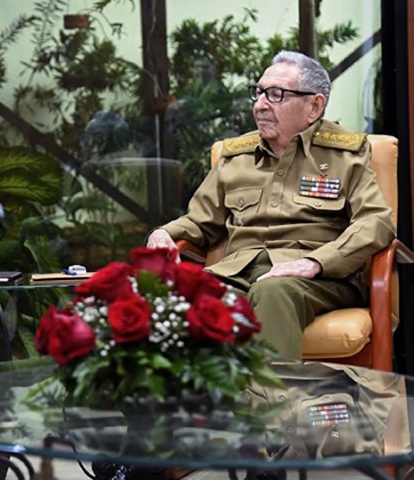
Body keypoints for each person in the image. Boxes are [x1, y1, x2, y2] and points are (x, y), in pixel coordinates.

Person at [146, 50, 395, 361]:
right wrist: (163, 233)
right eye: (259, 92)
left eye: (276, 94)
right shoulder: (236, 156)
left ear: (314, 106)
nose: (260, 105)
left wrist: (315, 262)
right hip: (237, 273)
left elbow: (375, 222)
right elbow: (199, 221)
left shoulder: (345, 155)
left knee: (272, 291)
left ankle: (274, 394)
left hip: (317, 278)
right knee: (182, 299)